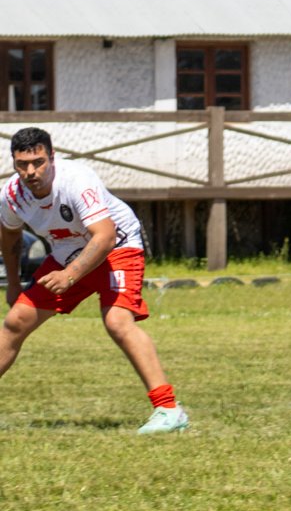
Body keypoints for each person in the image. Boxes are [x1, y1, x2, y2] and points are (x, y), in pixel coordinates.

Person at [0, 127, 188, 434]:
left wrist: (70, 275)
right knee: (16, 320)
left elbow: (105, 236)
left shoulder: (76, 180)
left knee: (117, 322)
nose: (31, 171)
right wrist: (13, 283)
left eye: (38, 162)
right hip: (69, 253)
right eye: (23, 164)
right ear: (14, 163)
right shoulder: (12, 195)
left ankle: (169, 410)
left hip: (118, 247)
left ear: (52, 158)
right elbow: (9, 235)